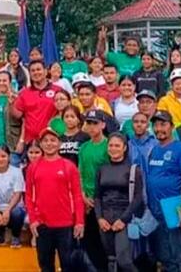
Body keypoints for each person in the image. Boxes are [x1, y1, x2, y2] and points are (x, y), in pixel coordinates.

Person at [25, 127, 84, 272]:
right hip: (42, 224)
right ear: (41, 144)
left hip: (65, 223)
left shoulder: (69, 166)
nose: (49, 143)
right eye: (45, 141)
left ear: (59, 143)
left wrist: (79, 221)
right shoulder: (33, 167)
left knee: (68, 264)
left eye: (53, 140)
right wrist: (33, 220)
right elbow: (29, 196)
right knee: (45, 265)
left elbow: (77, 195)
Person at [146, 110, 181, 272]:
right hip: (157, 210)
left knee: (179, 254)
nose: (159, 129)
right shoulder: (154, 150)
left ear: (172, 126)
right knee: (164, 256)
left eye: (163, 124)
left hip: (174, 208)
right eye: (156, 125)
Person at [94, 133, 143, 272]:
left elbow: (138, 197)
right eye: (111, 145)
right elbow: (97, 196)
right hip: (105, 218)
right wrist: (99, 218)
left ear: (124, 148)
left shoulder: (133, 169)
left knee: (124, 259)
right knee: (111, 258)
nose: (113, 149)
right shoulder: (102, 169)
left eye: (117, 145)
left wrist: (123, 219)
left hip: (124, 218)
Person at [77, 110, 110, 270]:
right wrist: (83, 195)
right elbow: (80, 173)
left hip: (103, 200)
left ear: (103, 125)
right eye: (88, 123)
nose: (91, 127)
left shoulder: (109, 146)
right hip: (86, 200)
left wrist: (97, 199)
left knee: (104, 241)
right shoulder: (84, 147)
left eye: (94, 123)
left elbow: (110, 174)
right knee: (89, 240)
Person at [9, 60, 58, 151]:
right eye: (33, 70)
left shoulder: (57, 91)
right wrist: (11, 104)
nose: (36, 72)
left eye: (38, 69)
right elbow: (18, 115)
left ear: (45, 71)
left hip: (51, 141)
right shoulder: (24, 93)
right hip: (30, 142)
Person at [0, 146, 25, 248]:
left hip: (13, 208)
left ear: (9, 157)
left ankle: (16, 235)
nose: (1, 159)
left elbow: (17, 193)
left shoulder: (17, 172)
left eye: (3, 156)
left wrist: (7, 210)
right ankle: (0, 232)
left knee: (17, 213)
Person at [0, 71, 20, 160]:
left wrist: (21, 141)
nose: (1, 83)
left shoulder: (17, 99)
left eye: (4, 81)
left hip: (12, 145)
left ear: (10, 82)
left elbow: (24, 121)